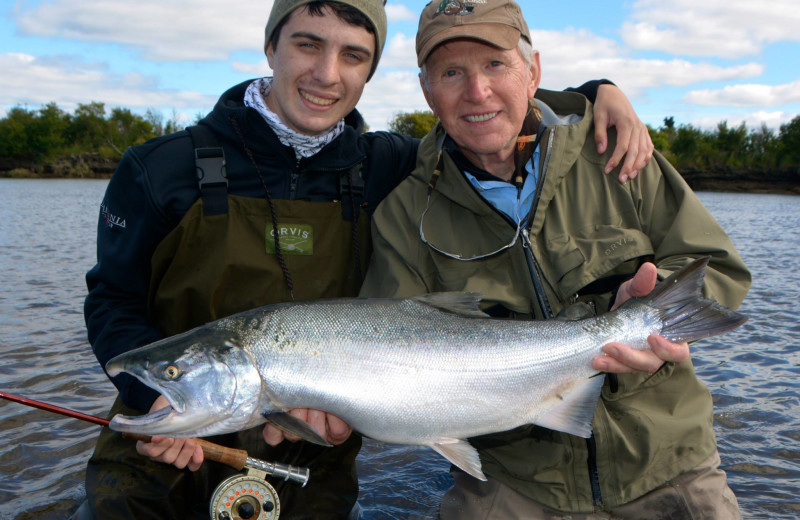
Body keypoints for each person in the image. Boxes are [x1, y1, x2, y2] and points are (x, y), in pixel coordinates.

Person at [78, 0, 655, 518]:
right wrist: (150, 398)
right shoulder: (158, 168)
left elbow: (486, 109)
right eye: (308, 44)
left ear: (371, 72)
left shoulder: (387, 164)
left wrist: (596, 94)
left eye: (353, 55)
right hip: (162, 447)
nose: (327, 75)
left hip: (315, 464)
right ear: (270, 45)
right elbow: (111, 299)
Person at [358, 0, 752, 518]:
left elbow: (716, 268)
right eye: (451, 73)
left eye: (495, 65)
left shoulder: (618, 150)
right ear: (427, 90)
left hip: (668, 462)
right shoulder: (404, 214)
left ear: (533, 71)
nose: (477, 92)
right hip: (511, 482)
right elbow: (383, 359)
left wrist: (653, 322)